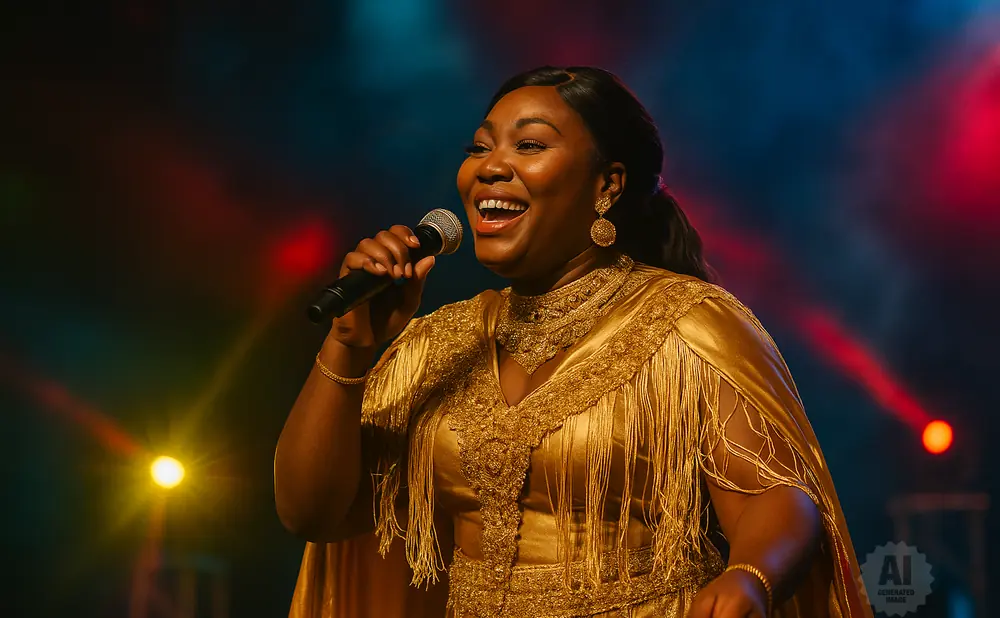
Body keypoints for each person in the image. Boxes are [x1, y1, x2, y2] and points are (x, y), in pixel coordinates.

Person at [274, 66, 872, 618]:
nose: (489, 167)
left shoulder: (686, 322)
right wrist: (348, 347)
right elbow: (311, 512)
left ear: (607, 184)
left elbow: (778, 496)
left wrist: (749, 577)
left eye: (528, 145)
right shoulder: (439, 341)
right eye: (479, 148)